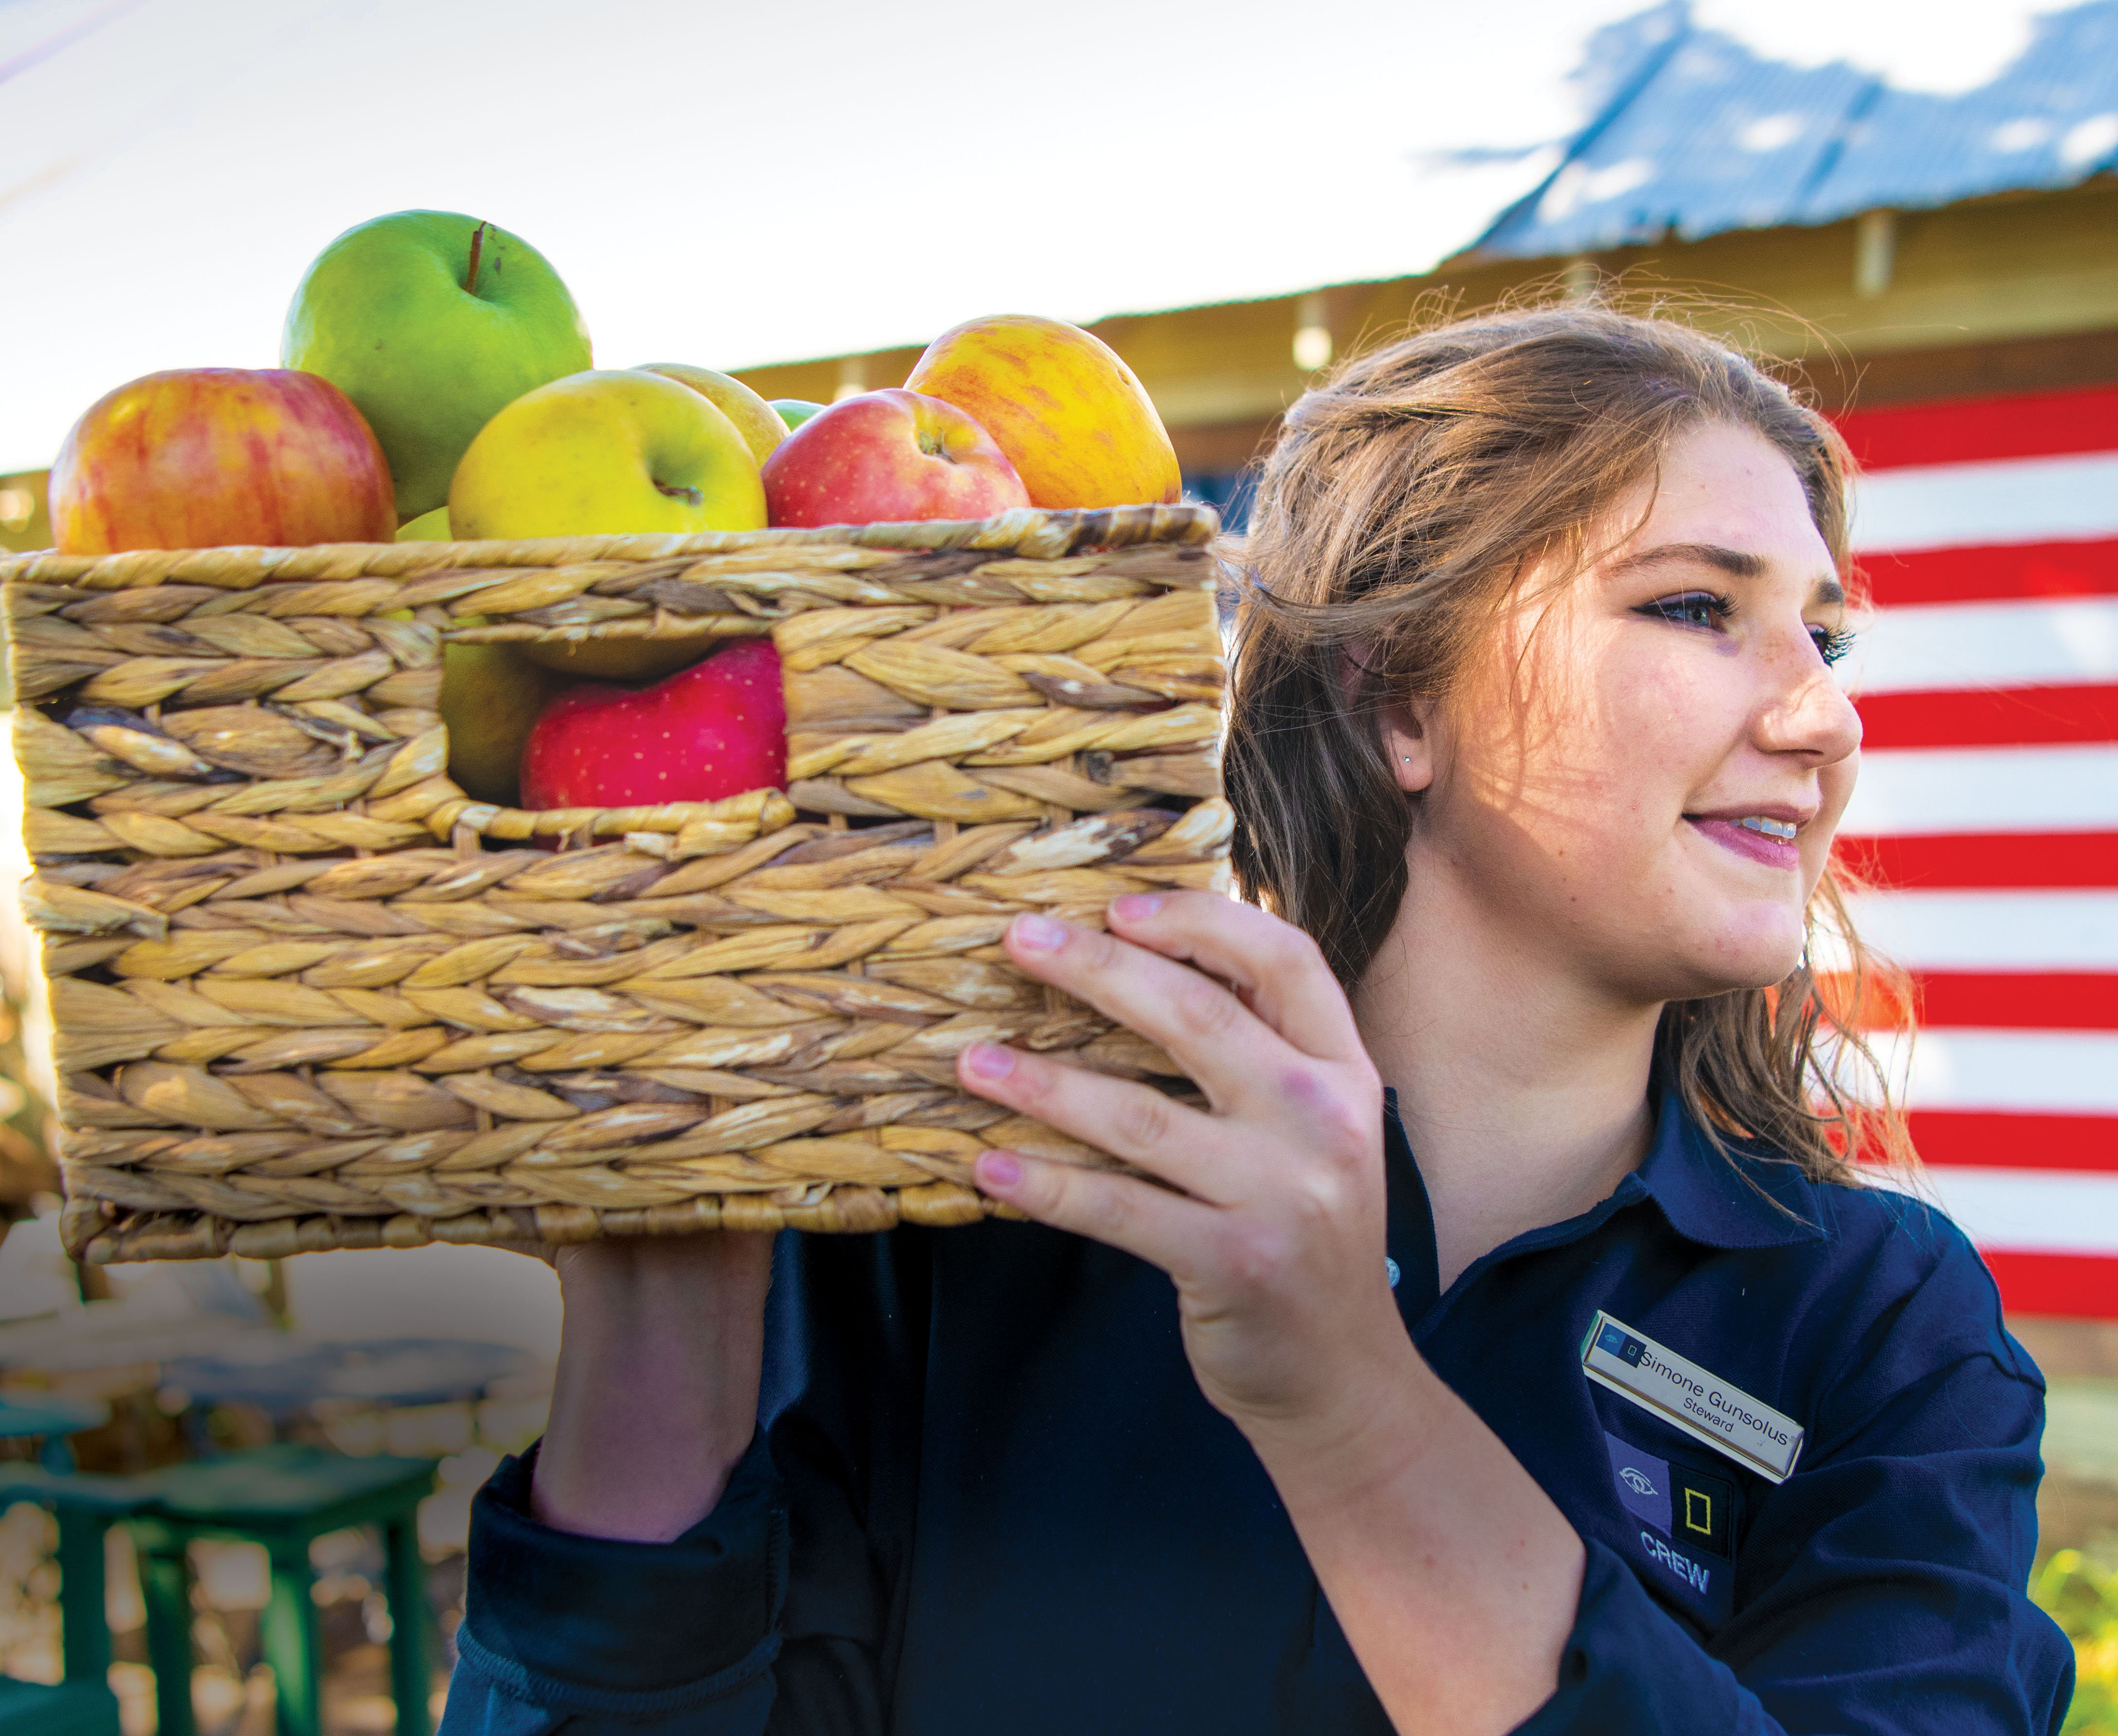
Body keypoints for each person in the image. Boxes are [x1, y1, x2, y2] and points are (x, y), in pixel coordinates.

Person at [438, 304, 2074, 1736]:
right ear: (1396, 698)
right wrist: (665, 1290)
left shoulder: (1883, 1331)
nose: (1823, 715)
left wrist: (1344, 1397)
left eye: (1824, 635)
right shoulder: (985, 1201)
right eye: (1696, 609)